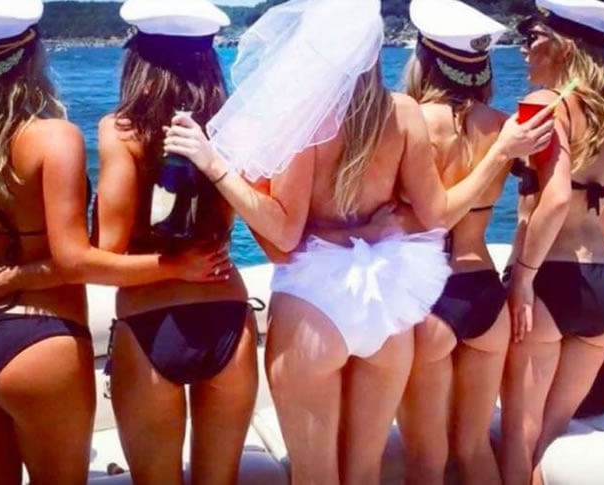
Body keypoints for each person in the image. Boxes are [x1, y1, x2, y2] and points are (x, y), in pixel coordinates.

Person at [163, 0, 554, 482]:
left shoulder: (308, 118)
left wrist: (214, 165)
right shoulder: (403, 111)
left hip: (316, 300)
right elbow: (434, 215)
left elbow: (284, 232)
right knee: (366, 471)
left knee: (315, 475)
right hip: (387, 301)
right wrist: (368, 229)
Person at [0, 0, 227, 482]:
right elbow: (76, 260)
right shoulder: (56, 138)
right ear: (31, 58)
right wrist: (178, 267)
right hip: (42, 340)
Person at [92, 1, 258, 483]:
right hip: (226, 312)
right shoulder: (232, 129)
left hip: (151, 319)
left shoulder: (122, 131)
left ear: (139, 60)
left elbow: (106, 254)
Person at [500, 1, 604, 483]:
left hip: (548, 284)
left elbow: (553, 201)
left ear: (562, 46)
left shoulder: (547, 106)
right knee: (550, 439)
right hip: (603, 286)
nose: (525, 48)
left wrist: (524, 279)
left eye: (533, 37)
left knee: (520, 435)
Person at [395, 1, 511, 484]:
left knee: (426, 458)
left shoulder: (408, 121)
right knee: (474, 447)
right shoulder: (503, 125)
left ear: (424, 58)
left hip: (430, 296)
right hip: (486, 292)